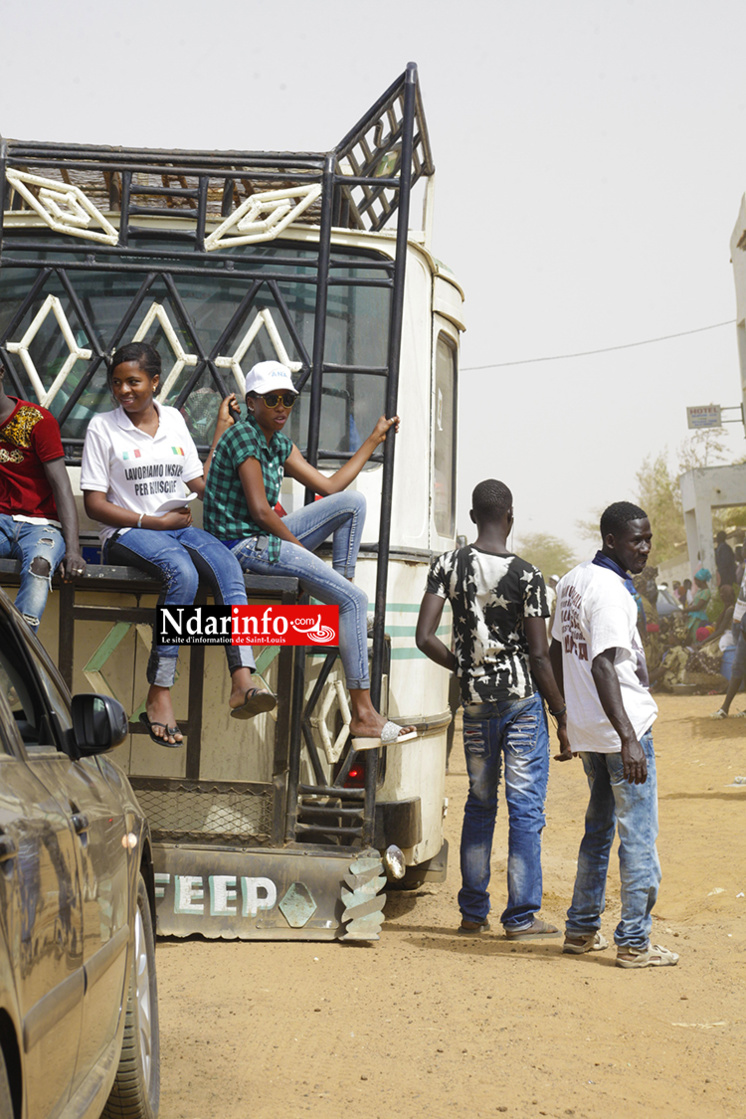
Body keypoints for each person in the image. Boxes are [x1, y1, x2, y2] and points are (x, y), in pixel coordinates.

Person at [202, 359, 415, 751]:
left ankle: (341, 593)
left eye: (288, 400)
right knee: (354, 602)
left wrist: (374, 438)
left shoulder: (278, 443)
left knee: (352, 502)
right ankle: (364, 715)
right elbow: (260, 511)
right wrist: (303, 552)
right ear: (251, 403)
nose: (282, 407)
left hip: (263, 537)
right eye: (273, 399)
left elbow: (330, 485)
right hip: (239, 546)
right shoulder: (243, 437)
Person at [81, 342, 274, 747]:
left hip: (178, 528)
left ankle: (243, 679)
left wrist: (228, 450)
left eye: (133, 381)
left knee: (226, 566)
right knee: (182, 574)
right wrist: (154, 521)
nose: (123, 390)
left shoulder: (173, 420)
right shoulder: (103, 426)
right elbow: (95, 505)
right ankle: (160, 693)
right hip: (128, 533)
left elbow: (197, 484)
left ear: (155, 381)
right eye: (116, 383)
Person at [416, 479, 569, 940]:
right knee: (524, 809)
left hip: (476, 704)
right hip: (522, 703)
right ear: (510, 517)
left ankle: (471, 913)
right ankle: (520, 917)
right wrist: (562, 714)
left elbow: (424, 638)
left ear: (471, 517)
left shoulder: (446, 564)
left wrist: (464, 670)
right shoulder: (529, 576)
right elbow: (540, 657)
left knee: (480, 805)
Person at [550, 501, 678, 968]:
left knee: (598, 831)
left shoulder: (570, 582)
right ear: (610, 541)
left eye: (647, 539)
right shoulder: (608, 591)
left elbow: (554, 651)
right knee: (639, 836)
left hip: (591, 732)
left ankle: (581, 930)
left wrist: (565, 718)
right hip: (623, 733)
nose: (644, 548)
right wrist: (627, 738)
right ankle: (635, 943)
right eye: (635, 541)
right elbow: (603, 664)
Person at [0, 360, 86, 631]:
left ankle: (21, 654)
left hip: (41, 525)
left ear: (1, 371)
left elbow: (61, 485)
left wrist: (73, 550)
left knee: (40, 566)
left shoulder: (36, 420)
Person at [681, 568, 711, 643]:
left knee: (695, 638)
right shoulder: (700, 591)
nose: (695, 583)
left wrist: (685, 610)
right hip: (693, 616)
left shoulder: (706, 592)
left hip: (698, 618)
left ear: (701, 580)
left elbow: (698, 607)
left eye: (696, 581)